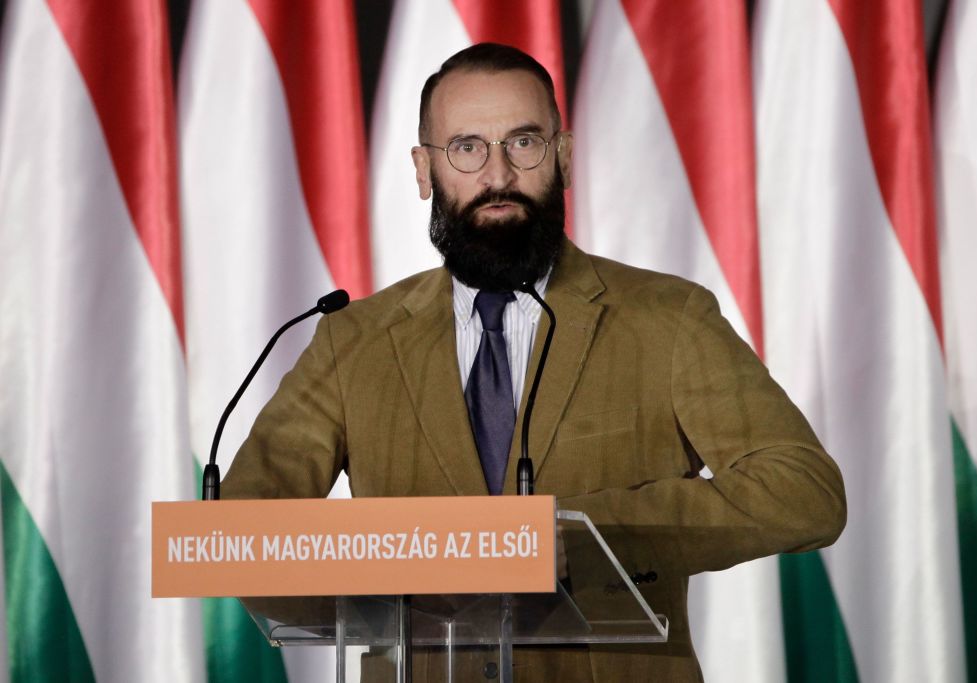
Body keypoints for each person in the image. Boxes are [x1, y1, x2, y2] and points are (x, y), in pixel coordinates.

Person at [223, 43, 846, 681]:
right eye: (466, 147)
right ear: (423, 170)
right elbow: (242, 534)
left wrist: (575, 536)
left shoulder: (667, 317)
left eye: (524, 143)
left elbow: (804, 492)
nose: (497, 175)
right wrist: (389, 573)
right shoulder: (352, 340)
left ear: (564, 157)